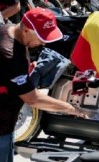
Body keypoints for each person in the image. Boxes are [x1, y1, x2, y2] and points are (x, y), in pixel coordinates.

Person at [1, 8, 88, 161]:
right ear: (26, 29)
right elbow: (32, 99)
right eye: (41, 37)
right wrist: (71, 109)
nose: (43, 42)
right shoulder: (10, 55)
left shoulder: (8, 29)